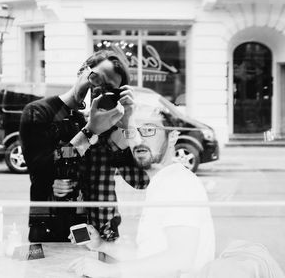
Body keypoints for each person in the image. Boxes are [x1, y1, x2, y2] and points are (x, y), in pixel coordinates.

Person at [69, 105, 215, 278]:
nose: (138, 140)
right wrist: (101, 245)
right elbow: (149, 256)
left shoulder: (178, 183)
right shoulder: (162, 182)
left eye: (148, 129)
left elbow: (181, 258)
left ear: (173, 136)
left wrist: (110, 271)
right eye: (132, 132)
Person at [20, 50, 148, 242]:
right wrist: (89, 132)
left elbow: (140, 181)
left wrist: (128, 123)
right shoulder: (39, 112)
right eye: (96, 78)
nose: (98, 89)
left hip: (101, 234)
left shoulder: (108, 125)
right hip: (52, 232)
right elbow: (40, 169)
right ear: (82, 70)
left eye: (108, 88)